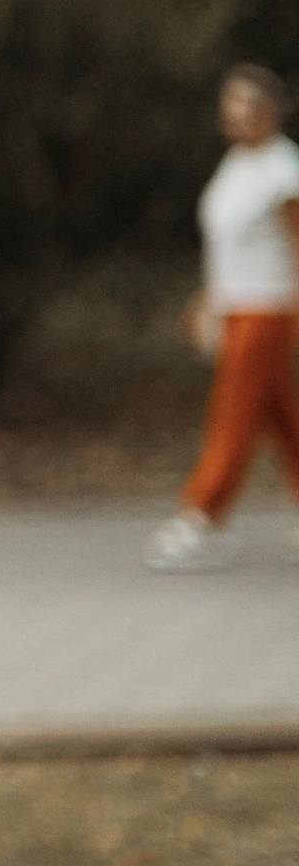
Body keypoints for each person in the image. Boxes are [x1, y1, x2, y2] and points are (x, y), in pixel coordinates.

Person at [147, 62, 299, 569]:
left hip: (269, 307)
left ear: (272, 110)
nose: (237, 113)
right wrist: (208, 301)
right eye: (231, 102)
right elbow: (224, 244)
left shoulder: (284, 169)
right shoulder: (236, 164)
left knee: (233, 412)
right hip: (234, 304)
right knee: (281, 415)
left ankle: (203, 516)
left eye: (249, 103)